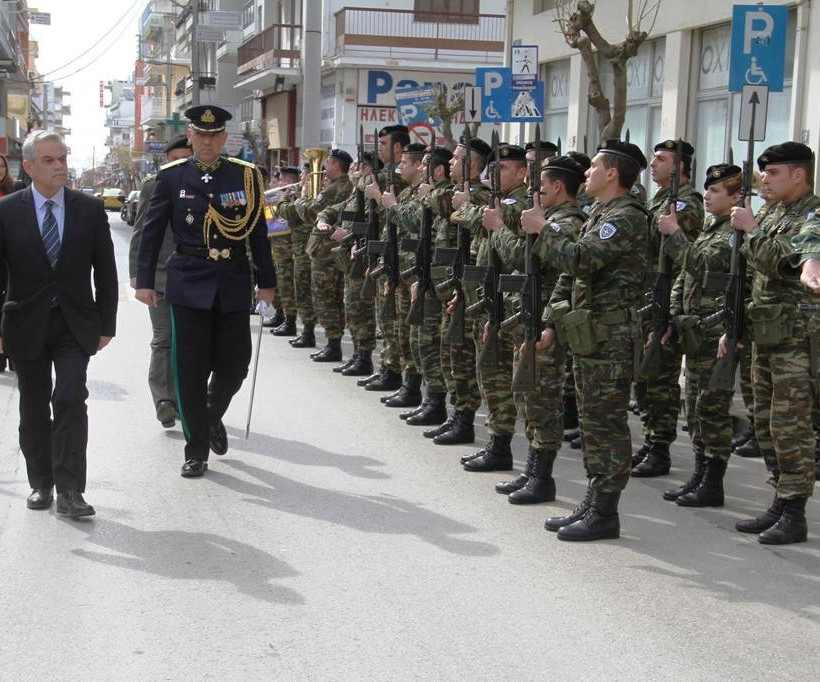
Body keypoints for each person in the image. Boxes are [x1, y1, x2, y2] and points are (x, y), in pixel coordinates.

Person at [135, 105, 276, 478]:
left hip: (231, 279)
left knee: (235, 365)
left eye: (215, 136)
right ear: (192, 137)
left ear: (224, 138)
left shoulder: (245, 177)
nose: (208, 141)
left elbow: (258, 235)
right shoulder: (171, 177)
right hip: (188, 280)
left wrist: (267, 283)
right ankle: (195, 449)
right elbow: (151, 234)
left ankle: (210, 414)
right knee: (190, 370)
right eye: (201, 135)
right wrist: (144, 281)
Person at [529, 139, 649, 541]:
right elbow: (571, 275)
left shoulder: (627, 217)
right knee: (592, 419)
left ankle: (605, 512)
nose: (586, 172)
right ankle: (595, 500)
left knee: (606, 423)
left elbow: (582, 259)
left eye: (594, 166)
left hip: (611, 337)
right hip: (590, 334)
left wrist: (543, 230)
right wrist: (550, 321)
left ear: (612, 173)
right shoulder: (601, 211)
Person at [0, 130, 118, 516]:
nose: (59, 166)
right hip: (24, 323)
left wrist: (107, 323)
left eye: (62, 158)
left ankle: (70, 490)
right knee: (34, 405)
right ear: (29, 166)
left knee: (69, 397)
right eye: (49, 160)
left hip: (75, 323)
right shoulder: (7, 211)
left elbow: (106, 270)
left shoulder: (88, 208)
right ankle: (41, 483)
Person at [729, 142, 819, 544]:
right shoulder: (772, 212)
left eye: (774, 173)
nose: (765, 179)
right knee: (764, 422)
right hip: (766, 333)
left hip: (796, 340)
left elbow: (785, 261)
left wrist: (752, 229)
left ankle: (795, 511)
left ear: (798, 175)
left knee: (790, 425)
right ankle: (780, 500)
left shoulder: (813, 215)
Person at [499, 153, 588, 504]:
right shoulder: (548, 219)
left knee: (543, 400)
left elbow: (533, 258)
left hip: (548, 318)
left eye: (542, 185)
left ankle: (543, 477)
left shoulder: (566, 222)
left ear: (558, 186)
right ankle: (532, 470)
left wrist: (500, 230)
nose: (536, 191)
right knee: (528, 395)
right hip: (533, 315)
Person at [656, 163, 741, 507]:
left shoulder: (734, 233)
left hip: (714, 331)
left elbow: (700, 264)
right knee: (693, 405)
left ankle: (713, 481)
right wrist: (674, 314)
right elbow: (684, 278)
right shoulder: (710, 228)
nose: (707, 196)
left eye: (716, 191)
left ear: (736, 197)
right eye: (707, 189)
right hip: (694, 329)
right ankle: (700, 472)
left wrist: (675, 233)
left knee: (711, 408)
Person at [633, 139, 704, 478]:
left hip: (670, 294)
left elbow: (683, 252)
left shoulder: (687, 204)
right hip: (649, 292)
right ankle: (650, 439)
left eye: (661, 159)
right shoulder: (658, 199)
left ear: (680, 168)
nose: (654, 163)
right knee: (646, 374)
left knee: (661, 375)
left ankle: (660, 446)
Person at [128, 135, 193, 428]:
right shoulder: (154, 186)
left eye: (185, 158)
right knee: (165, 338)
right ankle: (164, 400)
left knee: (192, 341)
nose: (179, 164)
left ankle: (186, 399)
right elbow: (141, 230)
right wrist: (137, 274)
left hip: (196, 278)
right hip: (161, 276)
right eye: (174, 158)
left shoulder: (206, 186)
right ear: (166, 161)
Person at [268, 165, 301, 336]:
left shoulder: (295, 195)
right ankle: (282, 315)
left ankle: (290, 321)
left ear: (288, 180)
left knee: (288, 286)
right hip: (279, 247)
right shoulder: (281, 195)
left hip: (290, 248)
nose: (279, 182)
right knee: (282, 284)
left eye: (281, 178)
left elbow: (290, 216)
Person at [0, 152, 15, 373]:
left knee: (10, 302)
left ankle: (13, 352)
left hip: (10, 255)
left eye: (2, 167)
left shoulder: (15, 189)